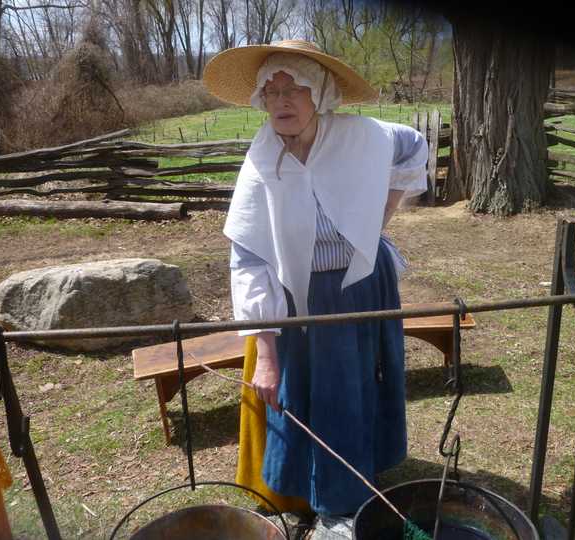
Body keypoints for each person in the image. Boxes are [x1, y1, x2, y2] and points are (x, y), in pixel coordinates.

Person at [202, 40, 428, 518]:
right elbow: (248, 260)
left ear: (320, 95)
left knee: (355, 386)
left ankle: (349, 497)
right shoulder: (262, 163)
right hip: (299, 296)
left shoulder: (363, 136)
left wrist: (379, 218)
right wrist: (265, 354)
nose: (281, 101)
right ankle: (306, 493)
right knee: (300, 394)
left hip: (361, 283)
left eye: (294, 89)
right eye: (271, 90)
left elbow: (414, 144)